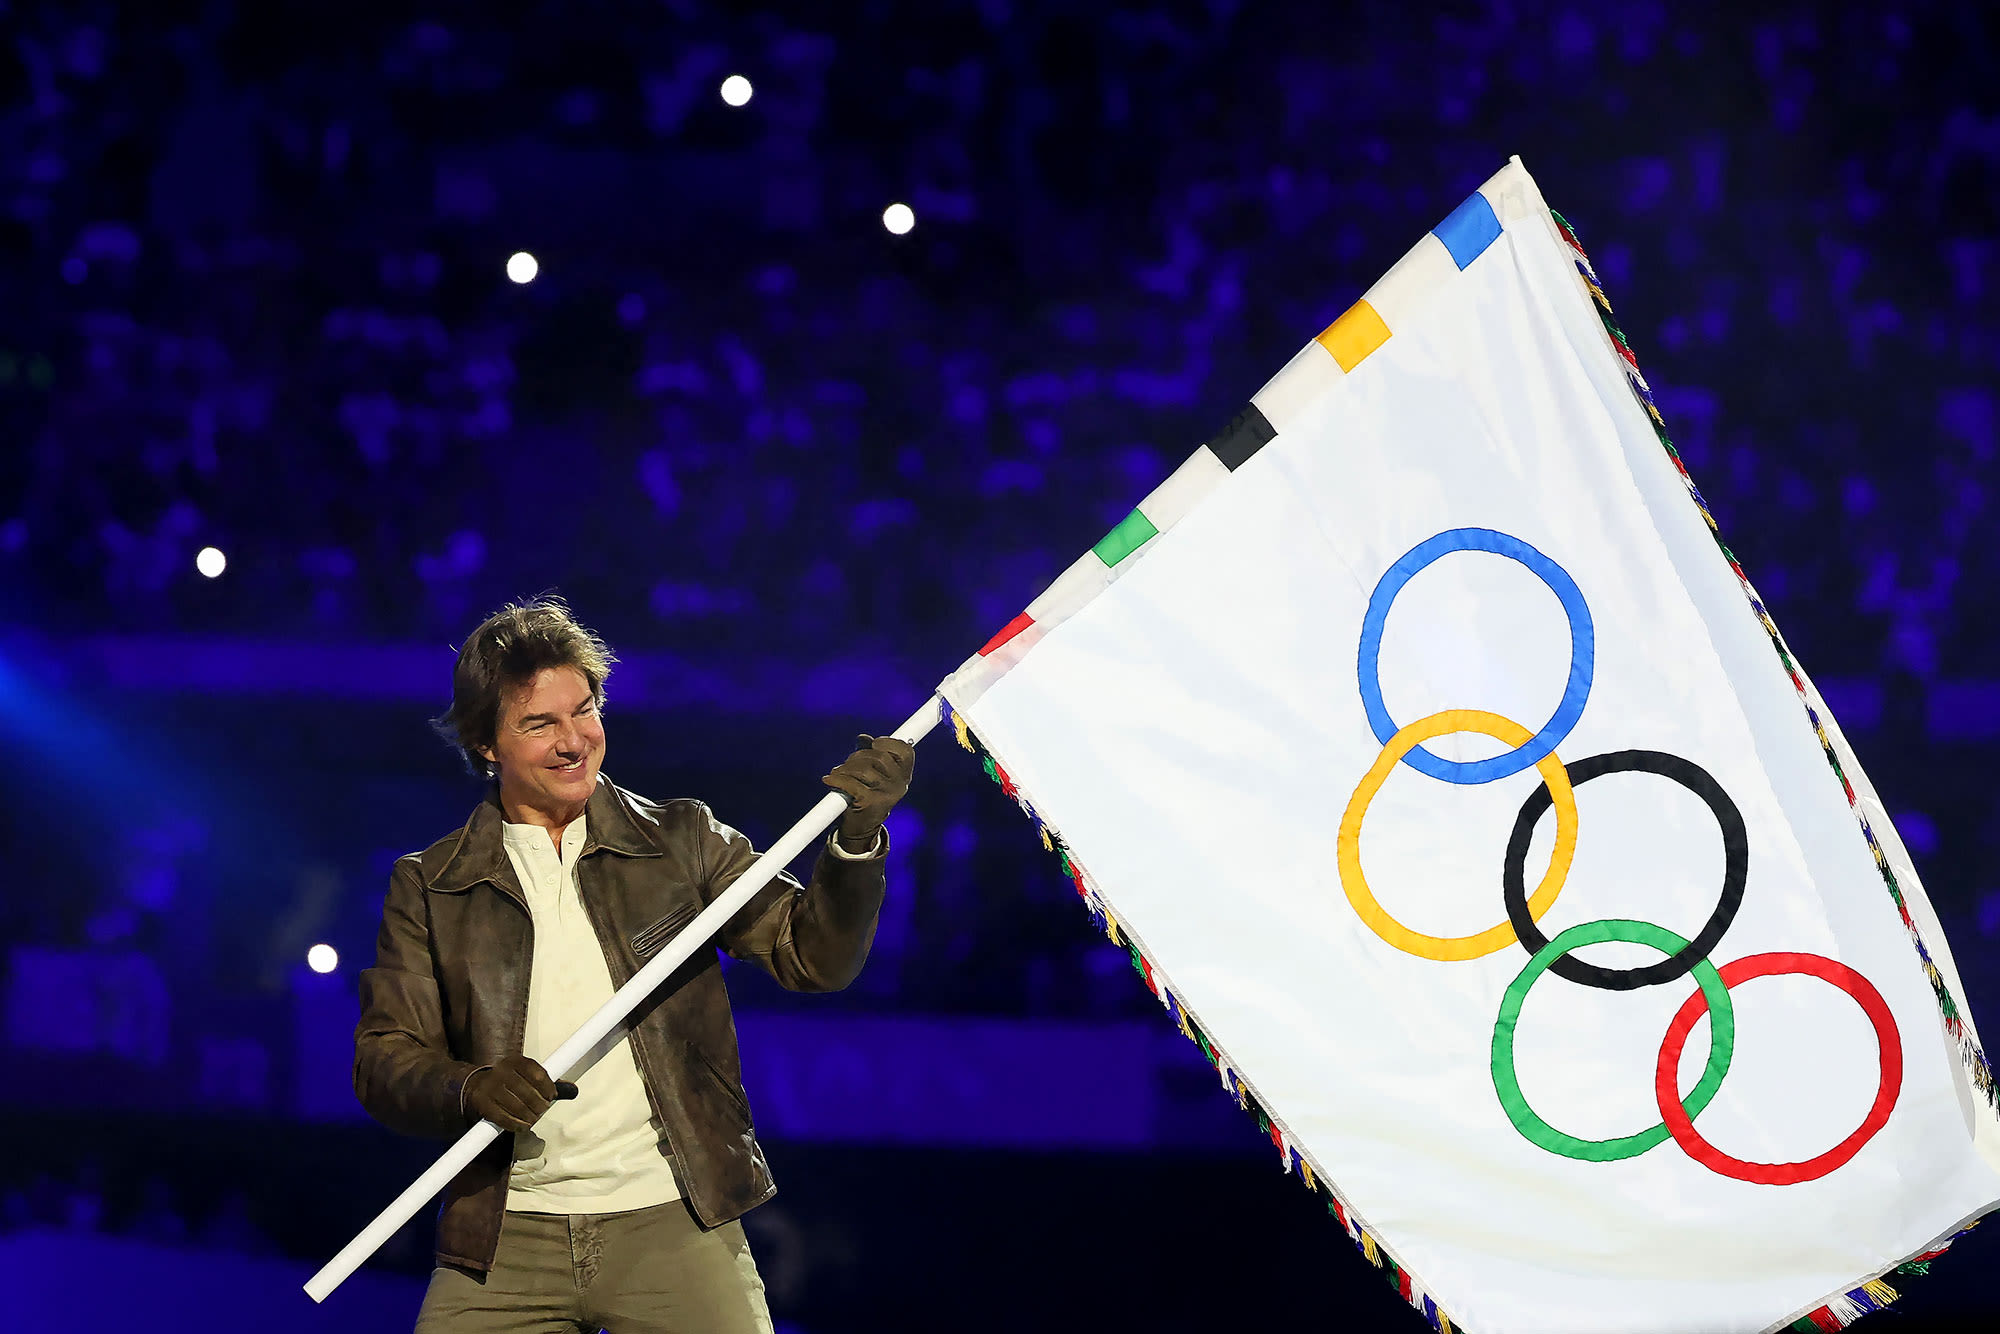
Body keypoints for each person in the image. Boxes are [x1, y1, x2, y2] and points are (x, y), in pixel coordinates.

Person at [354, 596, 914, 1332]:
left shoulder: (682, 840)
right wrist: (470, 1088)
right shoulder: (430, 883)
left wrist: (857, 840)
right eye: (539, 723)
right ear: (486, 743)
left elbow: (813, 957)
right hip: (504, 1234)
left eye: (585, 712)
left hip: (675, 1218)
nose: (573, 741)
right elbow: (384, 1061)